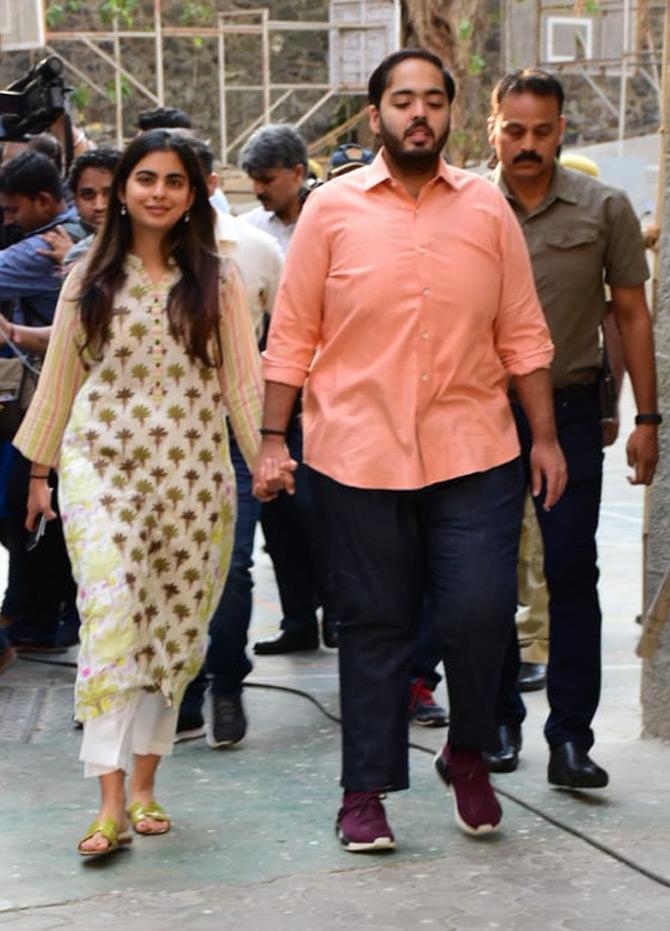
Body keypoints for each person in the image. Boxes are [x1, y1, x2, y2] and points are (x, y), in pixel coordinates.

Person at [253, 48, 566, 850]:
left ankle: (467, 749)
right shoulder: (330, 210)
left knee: (481, 611)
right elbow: (292, 335)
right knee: (372, 623)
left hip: (476, 450)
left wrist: (547, 439)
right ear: (376, 115)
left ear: (451, 116)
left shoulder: (488, 210)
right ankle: (365, 790)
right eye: (402, 101)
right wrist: (270, 438)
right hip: (357, 453)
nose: (417, 113)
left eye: (432, 100)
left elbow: (523, 333)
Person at [13, 129, 264, 857]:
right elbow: (60, 379)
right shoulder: (87, 275)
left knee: (172, 629)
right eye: (145, 177)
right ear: (122, 189)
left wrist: (267, 460)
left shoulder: (219, 280)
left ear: (196, 194)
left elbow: (242, 385)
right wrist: (38, 474)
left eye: (174, 181)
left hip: (192, 478)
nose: (158, 191)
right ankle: (108, 799)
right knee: (112, 613)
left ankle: (148, 784)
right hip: (102, 469)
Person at [486, 68, 659, 786]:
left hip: (573, 410)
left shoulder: (604, 207)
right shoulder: (463, 206)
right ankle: (493, 723)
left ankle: (569, 741)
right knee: (480, 577)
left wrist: (646, 414)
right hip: (480, 414)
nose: (527, 145)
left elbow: (630, 314)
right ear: (494, 126)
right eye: (514, 130)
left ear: (563, 130)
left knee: (570, 572)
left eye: (542, 131)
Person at [175, 136, 284, 748]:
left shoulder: (257, 252)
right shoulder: (135, 260)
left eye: (182, 180)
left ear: (208, 184)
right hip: (161, 435)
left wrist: (272, 438)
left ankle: (224, 686)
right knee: (168, 565)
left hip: (235, 427)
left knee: (232, 566)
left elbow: (286, 339)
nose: (167, 193)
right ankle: (179, 688)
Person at [240, 124, 338, 653]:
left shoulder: (331, 222)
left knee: (322, 515)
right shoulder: (248, 233)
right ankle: (298, 620)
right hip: (271, 396)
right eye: (253, 179)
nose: (259, 189)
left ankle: (339, 616)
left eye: (267, 179)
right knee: (278, 518)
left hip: (326, 395)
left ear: (299, 173)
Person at [0, 151, 83, 652]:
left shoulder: (45, 246)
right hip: (51, 398)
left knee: (33, 511)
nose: (7, 220)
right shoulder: (57, 241)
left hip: (59, 398)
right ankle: (31, 613)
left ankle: (44, 617)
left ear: (45, 200)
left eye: (12, 211)